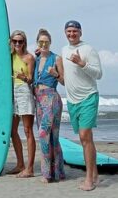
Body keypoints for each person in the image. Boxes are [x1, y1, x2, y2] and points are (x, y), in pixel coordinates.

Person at [61, 20, 103, 191]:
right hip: (72, 100)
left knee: (85, 136)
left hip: (88, 97)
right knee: (85, 138)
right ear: (65, 33)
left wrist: (82, 63)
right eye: (69, 31)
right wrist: (56, 75)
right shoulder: (64, 51)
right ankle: (95, 175)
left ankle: (89, 180)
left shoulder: (88, 49)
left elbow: (99, 74)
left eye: (75, 31)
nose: (72, 34)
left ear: (80, 32)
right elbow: (67, 80)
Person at [33, 28, 65, 183]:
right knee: (49, 136)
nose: (44, 44)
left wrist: (55, 74)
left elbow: (64, 81)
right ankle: (58, 173)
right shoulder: (37, 59)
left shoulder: (56, 58)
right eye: (41, 41)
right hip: (38, 100)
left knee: (45, 134)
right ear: (38, 43)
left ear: (50, 43)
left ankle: (48, 174)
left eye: (46, 41)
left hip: (51, 98)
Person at [7, 30, 36, 178]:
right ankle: (20, 164)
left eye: (20, 41)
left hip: (24, 91)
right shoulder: (9, 57)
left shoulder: (29, 58)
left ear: (24, 42)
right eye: (15, 41)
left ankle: (29, 169)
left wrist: (24, 77)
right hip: (11, 93)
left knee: (27, 130)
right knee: (12, 131)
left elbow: (31, 79)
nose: (17, 44)